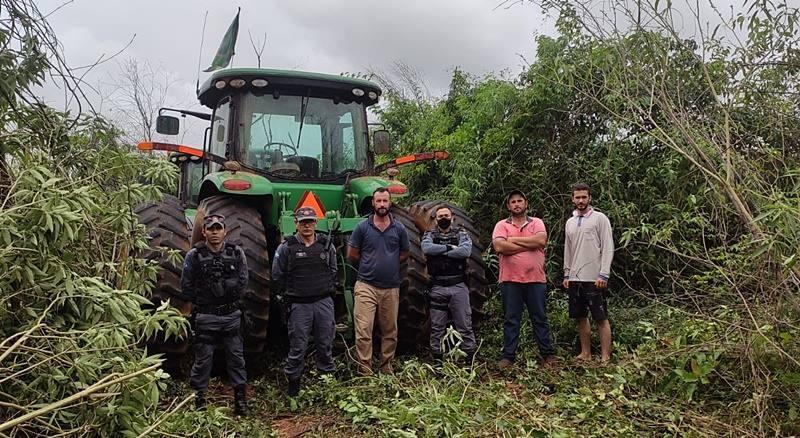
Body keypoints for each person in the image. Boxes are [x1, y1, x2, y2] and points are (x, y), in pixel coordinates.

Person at [181, 214, 249, 415]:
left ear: (225, 231)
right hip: (206, 316)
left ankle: (240, 401)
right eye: (211, 229)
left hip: (231, 315)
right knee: (203, 360)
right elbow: (186, 286)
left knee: (236, 358)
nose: (215, 232)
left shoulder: (236, 253)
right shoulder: (194, 255)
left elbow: (244, 281)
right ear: (204, 232)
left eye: (218, 228)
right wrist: (204, 301)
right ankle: (200, 401)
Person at [272, 206, 337, 396]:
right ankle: (294, 391)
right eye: (303, 222)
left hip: (323, 302)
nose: (307, 226)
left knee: (325, 344)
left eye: (310, 222)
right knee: (298, 347)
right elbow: (277, 275)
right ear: (296, 224)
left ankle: (327, 390)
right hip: (299, 305)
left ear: (316, 223)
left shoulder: (326, 245)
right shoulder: (287, 247)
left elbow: (333, 271)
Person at [347, 187, 410, 374]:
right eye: (378, 201)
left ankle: (386, 367)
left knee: (390, 330)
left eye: (385, 201)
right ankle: (364, 368)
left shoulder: (399, 228)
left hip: (391, 287)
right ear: (373, 203)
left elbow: (405, 253)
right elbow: (352, 254)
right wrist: (371, 264)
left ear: (390, 203)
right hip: (366, 285)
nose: (382, 204)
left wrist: (388, 263)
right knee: (364, 329)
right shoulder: (362, 227)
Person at [492, 189, 556, 369]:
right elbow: (499, 246)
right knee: (511, 319)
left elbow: (541, 242)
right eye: (513, 202)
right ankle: (508, 357)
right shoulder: (501, 225)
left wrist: (512, 240)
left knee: (540, 318)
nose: (517, 204)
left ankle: (547, 354)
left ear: (526, 203)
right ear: (508, 206)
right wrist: (529, 244)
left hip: (536, 280)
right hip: (510, 280)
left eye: (520, 201)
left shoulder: (537, 222)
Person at [562, 183, 614, 363]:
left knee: (600, 317)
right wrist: (567, 274)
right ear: (572, 199)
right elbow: (567, 250)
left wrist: (604, 274)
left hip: (594, 277)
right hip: (576, 277)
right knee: (581, 317)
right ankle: (586, 353)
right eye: (577, 197)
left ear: (590, 198)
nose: (581, 200)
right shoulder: (570, 222)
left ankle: (605, 356)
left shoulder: (600, 219)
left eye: (584, 197)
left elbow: (608, 247)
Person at [421, 206, 477, 362]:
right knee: (437, 327)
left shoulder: (461, 233)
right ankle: (438, 362)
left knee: (465, 325)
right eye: (440, 216)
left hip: (458, 285)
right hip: (437, 287)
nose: (443, 218)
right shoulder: (429, 234)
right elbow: (426, 248)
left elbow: (465, 252)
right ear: (436, 219)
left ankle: (469, 361)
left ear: (452, 217)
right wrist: (449, 248)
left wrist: (439, 251)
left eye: (446, 215)